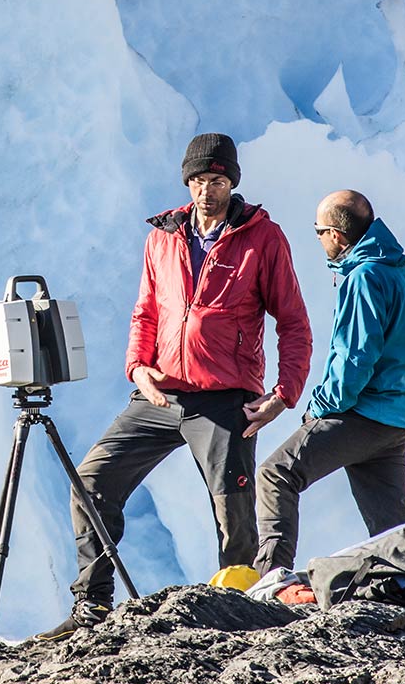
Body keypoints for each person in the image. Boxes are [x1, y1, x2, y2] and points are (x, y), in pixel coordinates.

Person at [35, 133, 311, 641]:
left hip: (226, 397)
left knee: (233, 514)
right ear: (187, 181)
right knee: (91, 483)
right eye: (199, 180)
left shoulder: (262, 238)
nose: (207, 190)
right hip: (159, 394)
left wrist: (283, 394)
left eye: (218, 181)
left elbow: (293, 322)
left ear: (232, 183)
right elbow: (146, 311)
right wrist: (138, 368)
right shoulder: (163, 236)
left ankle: (239, 618)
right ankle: (92, 606)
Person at [248, 190, 405, 579]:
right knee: (390, 522)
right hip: (396, 417)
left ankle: (270, 579)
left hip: (362, 411)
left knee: (277, 474)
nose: (318, 239)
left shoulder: (364, 278)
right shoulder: (401, 274)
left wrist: (319, 407)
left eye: (318, 231)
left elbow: (355, 358)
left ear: (337, 235)